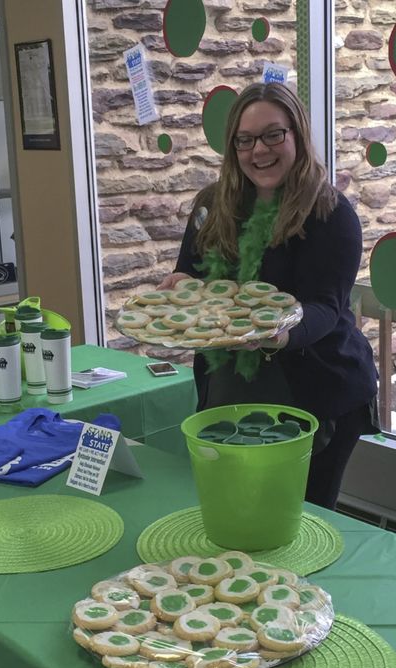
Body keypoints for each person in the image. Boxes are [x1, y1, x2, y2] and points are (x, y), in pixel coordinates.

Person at [160, 81, 378, 510]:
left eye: (273, 134)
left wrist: (277, 333)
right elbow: (190, 270)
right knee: (235, 508)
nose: (259, 150)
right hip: (229, 384)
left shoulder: (329, 213)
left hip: (316, 387)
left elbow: (325, 309)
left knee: (301, 518)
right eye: (245, 140)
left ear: (296, 134)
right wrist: (181, 287)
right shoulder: (212, 204)